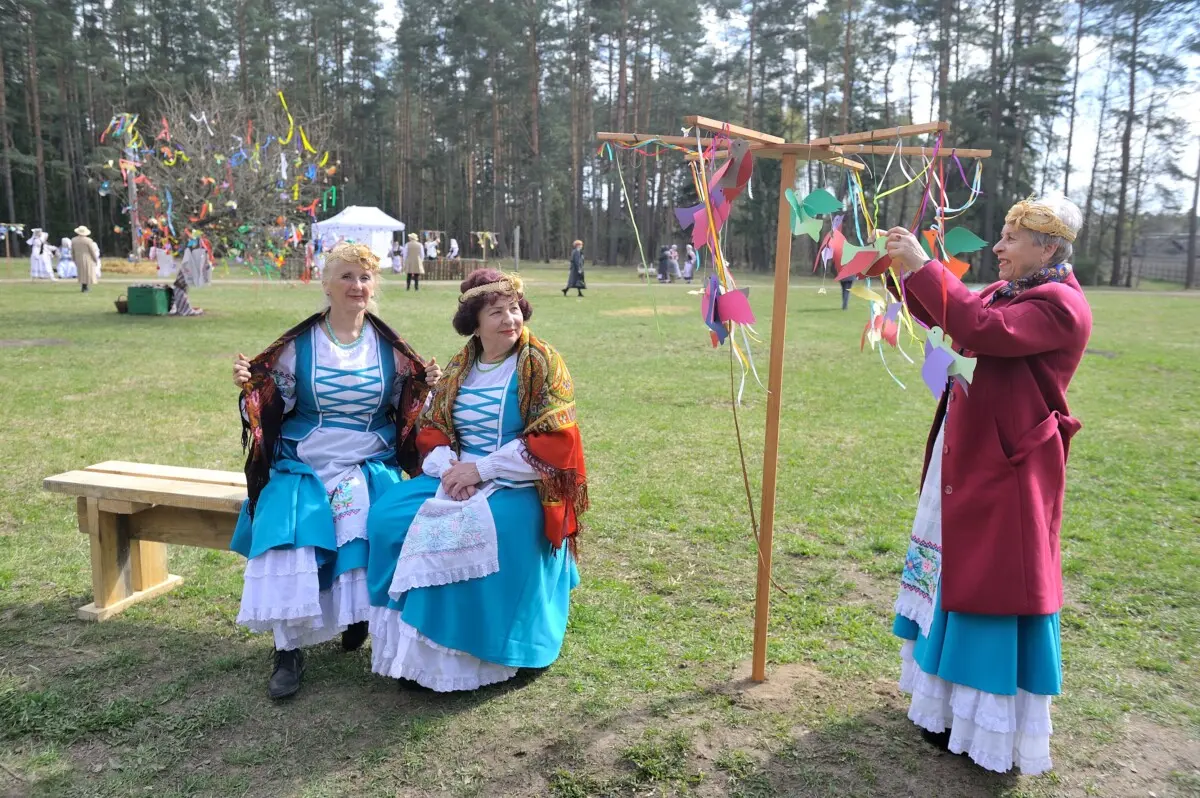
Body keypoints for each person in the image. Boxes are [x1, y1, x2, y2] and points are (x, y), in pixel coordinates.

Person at [882, 195, 1092, 775]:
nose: (997, 247)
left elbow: (980, 329)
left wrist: (925, 267)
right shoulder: (1011, 292)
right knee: (954, 570)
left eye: (1010, 238)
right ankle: (945, 707)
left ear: (1047, 247)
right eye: (1000, 235)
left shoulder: (1058, 306)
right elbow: (954, 320)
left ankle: (984, 724)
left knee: (993, 582)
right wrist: (906, 275)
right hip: (970, 454)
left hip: (1009, 466)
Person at [229, 242, 443, 699]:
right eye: (346, 276)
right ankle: (287, 648)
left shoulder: (391, 350)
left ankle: (357, 617)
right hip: (304, 458)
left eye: (365, 278)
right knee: (292, 531)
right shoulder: (300, 346)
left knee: (367, 513)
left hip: (369, 457)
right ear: (325, 284)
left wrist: (427, 387)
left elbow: (407, 407)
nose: (357, 286)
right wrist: (253, 386)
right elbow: (274, 403)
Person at [366, 269, 587, 691]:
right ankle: (419, 652)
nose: (510, 320)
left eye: (514, 309)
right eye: (496, 312)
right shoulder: (460, 366)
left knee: (459, 532)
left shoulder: (540, 363)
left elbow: (555, 442)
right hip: (457, 475)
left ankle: (485, 652)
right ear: (475, 321)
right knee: (387, 516)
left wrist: (483, 470)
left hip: (521, 480)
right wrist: (453, 469)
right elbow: (432, 429)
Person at [70, 226, 100, 293]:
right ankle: (85, 287)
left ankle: (84, 287)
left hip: (78, 258)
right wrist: (95, 259)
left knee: (81, 273)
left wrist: (73, 258)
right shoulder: (88, 240)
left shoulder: (73, 240)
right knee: (87, 273)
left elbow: (72, 250)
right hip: (87, 258)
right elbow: (92, 251)